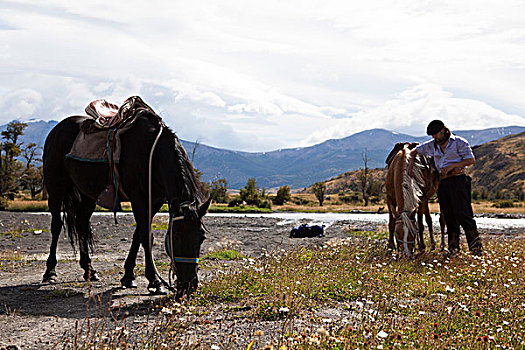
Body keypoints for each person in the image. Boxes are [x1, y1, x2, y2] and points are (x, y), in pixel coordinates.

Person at [407, 120, 482, 255]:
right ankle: (453, 248)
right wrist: (410, 165)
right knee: (449, 216)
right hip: (443, 183)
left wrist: (452, 166)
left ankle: (476, 249)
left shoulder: (459, 142)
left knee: (464, 215)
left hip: (459, 181)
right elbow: (413, 152)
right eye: (432, 135)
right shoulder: (432, 145)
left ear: (443, 131)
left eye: (435, 134)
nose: (434, 137)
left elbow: (471, 160)